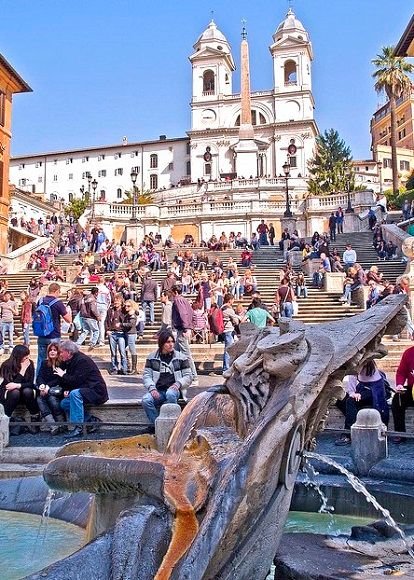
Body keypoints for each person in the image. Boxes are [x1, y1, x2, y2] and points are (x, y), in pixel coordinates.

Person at [142, 330, 192, 430]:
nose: (171, 344)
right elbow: (146, 376)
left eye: (172, 342)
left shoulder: (181, 357)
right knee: (146, 400)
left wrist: (178, 383)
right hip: (158, 391)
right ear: (161, 343)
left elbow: (188, 376)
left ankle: (174, 424)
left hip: (175, 391)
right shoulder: (151, 357)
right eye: (168, 342)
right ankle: (158, 426)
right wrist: (152, 388)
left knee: (170, 393)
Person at [58, 340, 108, 438]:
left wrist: (63, 375)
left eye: (61, 352)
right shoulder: (69, 361)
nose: (60, 354)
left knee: (75, 394)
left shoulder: (82, 360)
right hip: (85, 390)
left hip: (96, 390)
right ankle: (90, 420)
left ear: (68, 352)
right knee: (64, 403)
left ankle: (79, 427)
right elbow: (71, 381)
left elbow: (76, 380)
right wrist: (67, 388)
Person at [335, 361, 389, 446]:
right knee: (340, 400)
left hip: (375, 390)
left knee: (350, 401)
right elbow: (352, 377)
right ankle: (356, 419)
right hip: (362, 387)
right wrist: (352, 393)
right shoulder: (356, 363)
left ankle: (348, 434)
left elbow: (354, 374)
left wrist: (355, 394)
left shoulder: (368, 363)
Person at [35, 283, 72, 377]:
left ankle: (39, 381)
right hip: (54, 335)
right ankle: (55, 379)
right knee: (56, 358)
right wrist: (68, 311)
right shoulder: (58, 303)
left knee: (41, 359)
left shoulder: (40, 300)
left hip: (41, 334)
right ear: (56, 291)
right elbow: (68, 319)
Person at [0, 345, 39, 431]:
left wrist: (18, 385)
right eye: (25, 355)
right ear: (18, 355)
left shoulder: (30, 363)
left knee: (27, 391)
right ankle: (7, 418)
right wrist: (22, 371)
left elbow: (30, 383)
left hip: (25, 392)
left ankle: (34, 417)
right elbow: (8, 385)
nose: (27, 357)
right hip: (9, 394)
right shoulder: (6, 365)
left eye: (28, 355)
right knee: (15, 392)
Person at [36, 342, 66, 434]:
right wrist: (42, 385)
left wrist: (48, 386)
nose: (52, 352)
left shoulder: (63, 363)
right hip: (46, 389)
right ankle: (53, 425)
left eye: (54, 350)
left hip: (59, 389)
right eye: (50, 350)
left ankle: (61, 423)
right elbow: (39, 376)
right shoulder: (45, 363)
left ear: (58, 352)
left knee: (51, 398)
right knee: (39, 399)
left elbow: (60, 379)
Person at [171, 285, 198, 385]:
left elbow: (183, 314)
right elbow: (191, 312)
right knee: (176, 354)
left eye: (172, 292)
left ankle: (194, 377)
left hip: (182, 330)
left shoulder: (178, 300)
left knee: (186, 355)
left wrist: (187, 328)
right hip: (182, 329)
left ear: (175, 292)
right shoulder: (184, 300)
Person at [392, 345, 414, 442]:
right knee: (397, 399)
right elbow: (401, 372)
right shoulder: (408, 353)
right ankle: (400, 433)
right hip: (411, 389)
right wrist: (400, 385)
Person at [106, 293, 128, 375]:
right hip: (112, 333)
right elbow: (106, 321)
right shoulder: (110, 310)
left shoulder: (124, 310)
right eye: (115, 301)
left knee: (122, 351)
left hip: (121, 333)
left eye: (118, 301)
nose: (116, 303)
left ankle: (124, 368)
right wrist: (107, 330)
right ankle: (114, 367)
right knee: (113, 352)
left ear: (121, 301)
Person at [221, 293, 240, 372]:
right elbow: (236, 321)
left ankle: (226, 367)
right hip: (228, 330)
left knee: (227, 349)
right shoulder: (229, 309)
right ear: (230, 300)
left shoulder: (222, 307)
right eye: (232, 300)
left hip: (224, 330)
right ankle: (226, 368)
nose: (233, 302)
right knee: (229, 350)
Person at [123, 299, 138, 374]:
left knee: (132, 350)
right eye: (125, 305)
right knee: (127, 349)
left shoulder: (132, 315)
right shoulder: (128, 314)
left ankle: (134, 368)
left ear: (132, 306)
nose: (126, 307)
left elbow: (131, 324)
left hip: (131, 333)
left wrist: (121, 324)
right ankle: (130, 366)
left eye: (128, 306)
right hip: (127, 333)